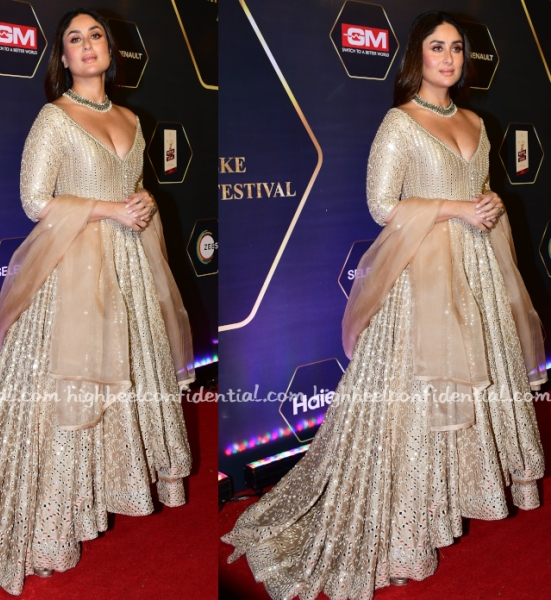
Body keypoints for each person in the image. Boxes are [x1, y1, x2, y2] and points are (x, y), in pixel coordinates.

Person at [222, 11, 546, 600]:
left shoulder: (478, 122)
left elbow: (478, 191)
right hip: (421, 276)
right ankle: (401, 531)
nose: (448, 58)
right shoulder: (400, 123)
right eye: (436, 47)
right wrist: (455, 209)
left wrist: (488, 203)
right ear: (416, 57)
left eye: (456, 48)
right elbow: (381, 205)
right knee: (415, 400)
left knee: (473, 385)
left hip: (475, 272)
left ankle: (455, 495)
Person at [0, 8, 195, 596]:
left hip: (129, 267)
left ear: (111, 50)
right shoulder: (54, 118)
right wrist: (108, 209)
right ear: (63, 58)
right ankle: (49, 527)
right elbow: (34, 199)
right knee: (70, 389)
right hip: (74, 271)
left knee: (123, 377)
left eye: (96, 35)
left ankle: (103, 490)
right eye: (74, 39)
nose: (87, 45)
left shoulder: (132, 118)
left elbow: (133, 186)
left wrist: (141, 201)